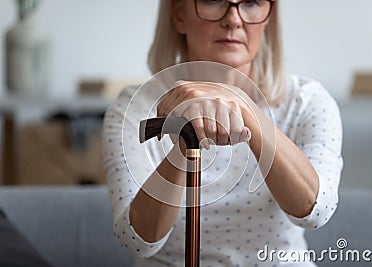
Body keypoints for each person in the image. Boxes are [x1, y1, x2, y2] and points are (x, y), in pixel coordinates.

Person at [102, 0, 343, 266]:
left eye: (251, 2)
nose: (234, 19)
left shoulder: (308, 102)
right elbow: (137, 241)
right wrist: (184, 143)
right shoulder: (136, 108)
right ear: (179, 15)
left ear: (268, 17)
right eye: (213, 1)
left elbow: (315, 212)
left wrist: (244, 107)